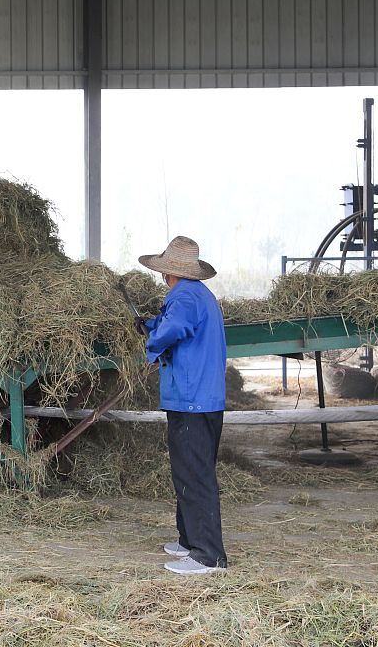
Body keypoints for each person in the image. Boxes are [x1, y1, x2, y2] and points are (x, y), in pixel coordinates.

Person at [135, 236, 228, 575]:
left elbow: (174, 327)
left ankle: (208, 555)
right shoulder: (198, 295)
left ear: (167, 273)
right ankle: (189, 540)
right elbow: (175, 324)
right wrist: (149, 323)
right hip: (198, 397)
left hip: (193, 399)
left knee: (195, 473)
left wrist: (153, 340)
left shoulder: (185, 296)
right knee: (187, 470)